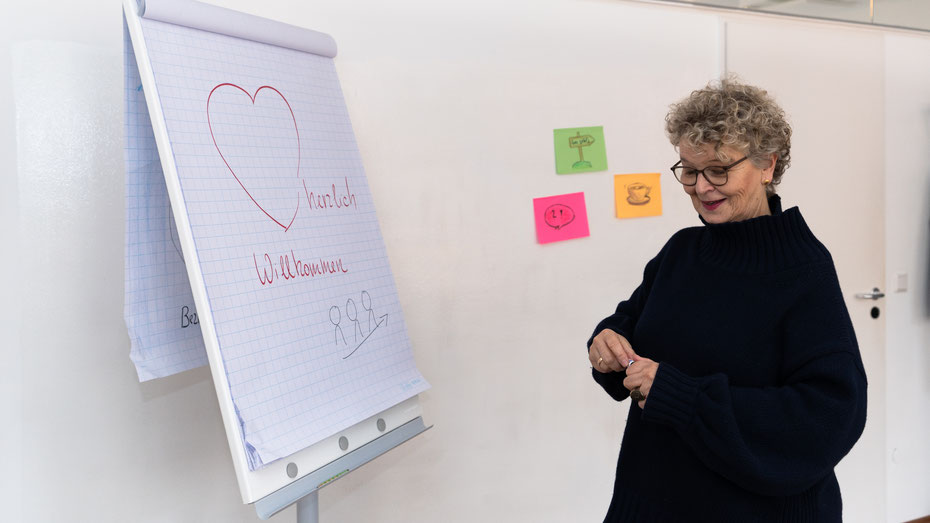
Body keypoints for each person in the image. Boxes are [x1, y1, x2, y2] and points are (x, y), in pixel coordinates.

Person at [587, 79, 867, 522]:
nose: (701, 187)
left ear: (767, 166)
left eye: (719, 170)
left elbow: (829, 415)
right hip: (653, 499)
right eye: (689, 171)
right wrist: (607, 340)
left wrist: (682, 397)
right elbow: (631, 322)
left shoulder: (803, 271)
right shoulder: (683, 250)